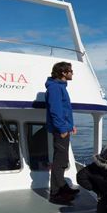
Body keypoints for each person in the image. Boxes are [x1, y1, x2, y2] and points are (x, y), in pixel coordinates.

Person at [45, 61, 80, 204]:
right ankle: (56, 194)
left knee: (63, 161)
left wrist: (70, 126)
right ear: (63, 73)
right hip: (60, 131)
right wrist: (62, 129)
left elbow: (64, 110)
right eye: (70, 71)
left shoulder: (60, 87)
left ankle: (63, 188)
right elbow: (55, 111)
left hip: (64, 128)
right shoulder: (54, 88)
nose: (72, 73)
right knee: (59, 162)